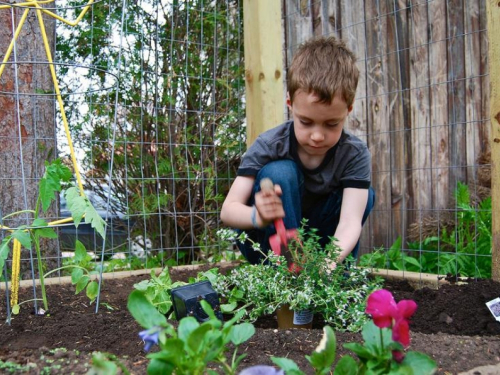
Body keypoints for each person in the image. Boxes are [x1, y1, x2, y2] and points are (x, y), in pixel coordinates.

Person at [220, 35, 375, 265]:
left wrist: (328, 264)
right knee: (279, 173)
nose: (317, 136)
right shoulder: (269, 145)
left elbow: (350, 222)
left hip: (319, 246)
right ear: (290, 103)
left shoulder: (354, 154)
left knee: (365, 196)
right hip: (266, 244)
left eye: (332, 124)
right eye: (306, 122)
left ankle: (334, 278)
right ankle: (287, 272)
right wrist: (257, 216)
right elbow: (228, 211)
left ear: (348, 109)